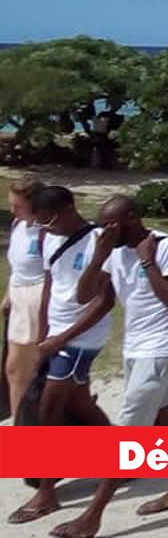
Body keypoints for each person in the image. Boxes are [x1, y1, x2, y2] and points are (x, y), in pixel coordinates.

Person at [49, 195, 168, 538]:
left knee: (130, 433)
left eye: (111, 224)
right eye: (102, 225)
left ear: (132, 217)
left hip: (161, 346)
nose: (106, 230)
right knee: (161, 418)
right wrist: (99, 254)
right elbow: (84, 296)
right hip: (134, 346)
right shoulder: (113, 253)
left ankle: (92, 517)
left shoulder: (163, 246)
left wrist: (148, 263)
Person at [8, 186, 113, 526]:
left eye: (49, 221)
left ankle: (47, 492)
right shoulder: (49, 236)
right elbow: (51, 288)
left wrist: (62, 338)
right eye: (39, 223)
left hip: (82, 339)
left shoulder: (99, 241)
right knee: (82, 405)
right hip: (56, 334)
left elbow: (104, 301)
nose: (45, 229)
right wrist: (42, 337)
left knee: (49, 410)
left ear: (69, 208)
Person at [4, 177, 45, 420]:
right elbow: (17, 266)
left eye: (18, 206)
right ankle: (20, 424)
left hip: (39, 298)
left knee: (37, 369)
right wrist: (8, 294)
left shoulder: (48, 231)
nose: (13, 211)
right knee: (14, 368)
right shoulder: (18, 226)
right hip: (19, 296)